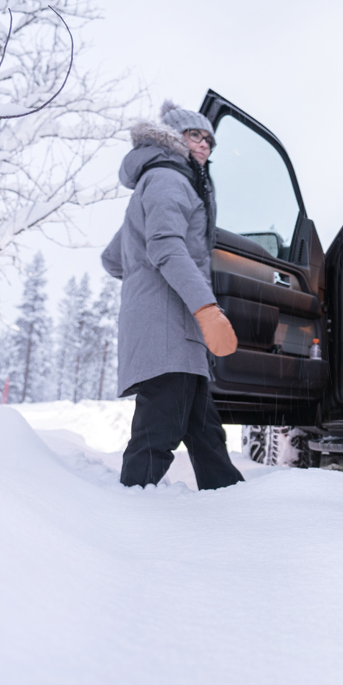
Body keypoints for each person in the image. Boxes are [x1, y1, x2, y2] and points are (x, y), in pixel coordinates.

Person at [101, 101, 243, 490]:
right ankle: (129, 508)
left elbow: (113, 259)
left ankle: (231, 500)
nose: (205, 144)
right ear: (172, 138)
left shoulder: (161, 181)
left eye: (209, 139)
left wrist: (142, 283)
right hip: (169, 328)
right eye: (195, 135)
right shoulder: (169, 178)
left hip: (171, 330)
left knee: (204, 432)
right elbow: (165, 245)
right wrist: (206, 308)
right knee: (158, 432)